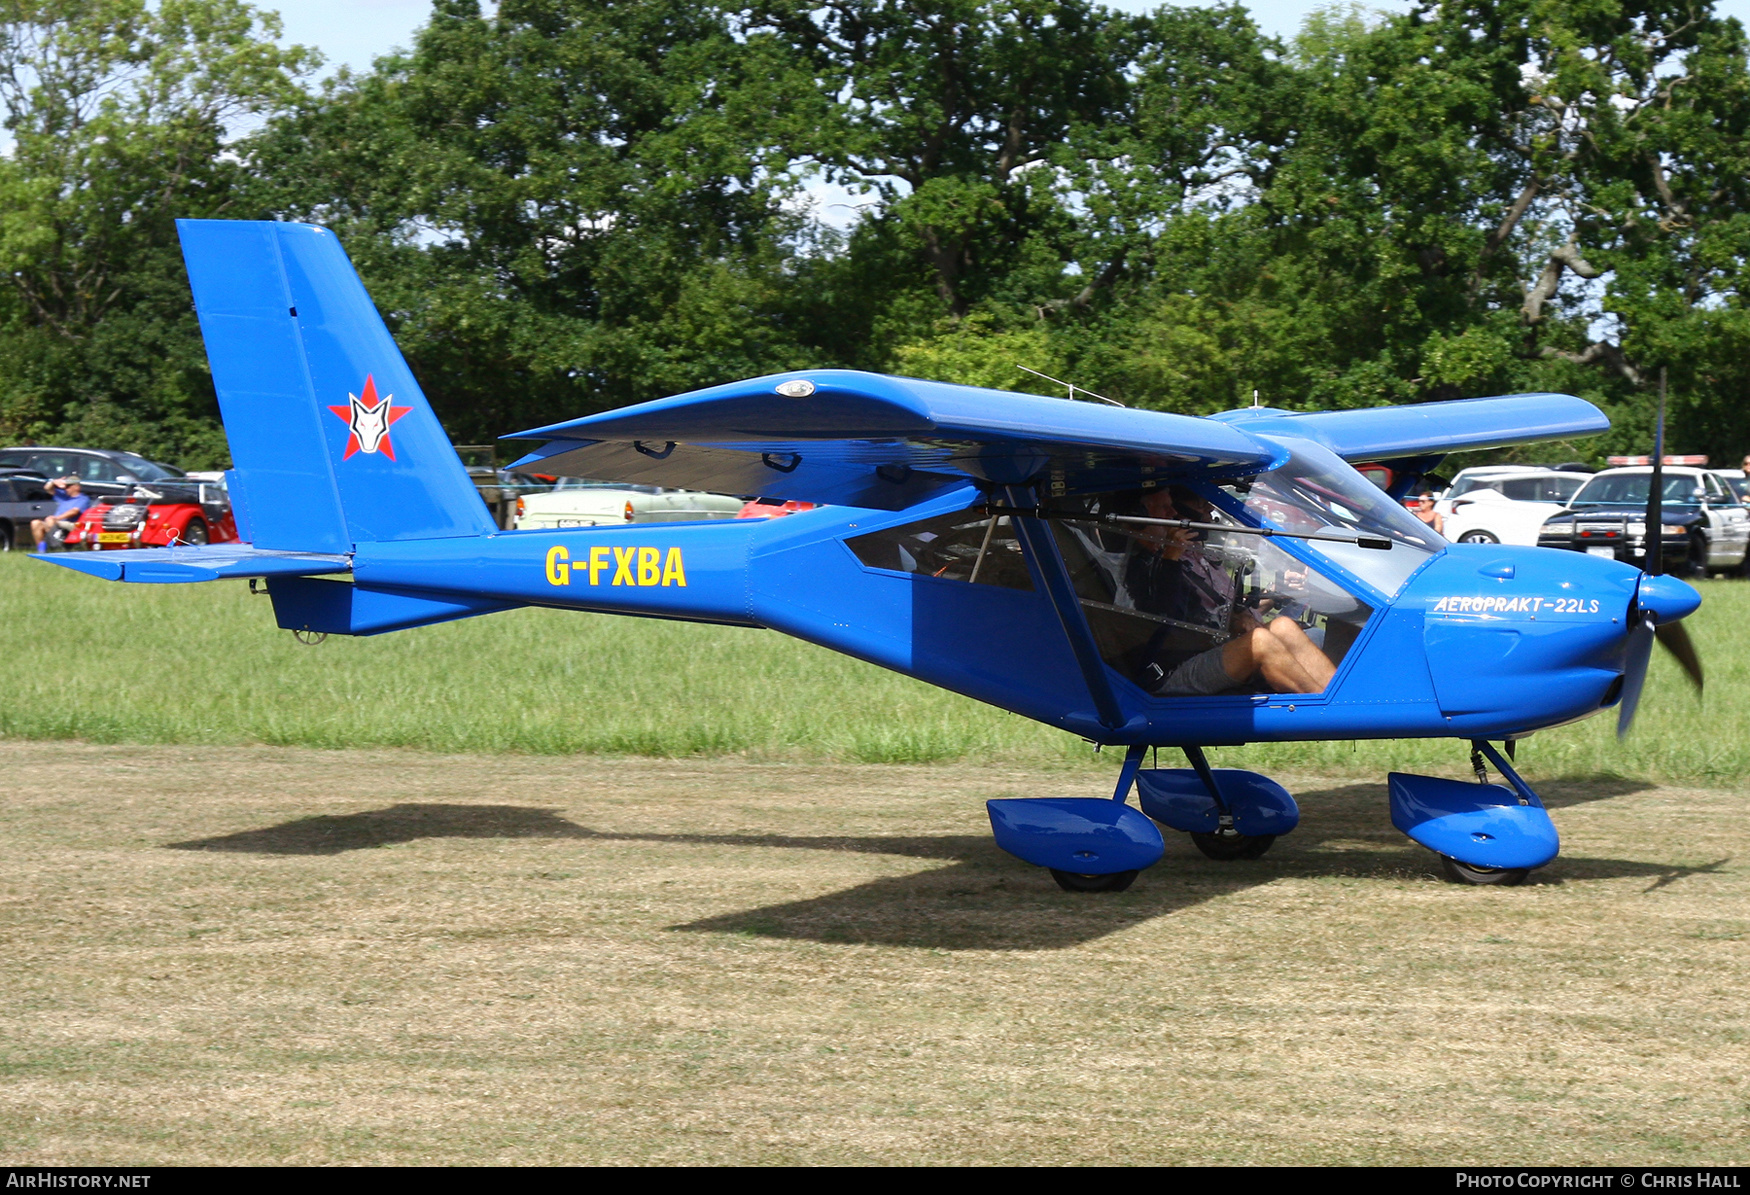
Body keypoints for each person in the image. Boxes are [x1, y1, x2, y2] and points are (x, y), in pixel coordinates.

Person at [1124, 486, 1335, 696]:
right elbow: (1163, 616)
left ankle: (1342, 700)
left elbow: (1214, 609)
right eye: (1165, 508)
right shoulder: (1139, 565)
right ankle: (1331, 716)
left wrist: (1240, 616)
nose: (1172, 514)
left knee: (1284, 626)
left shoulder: (1193, 557)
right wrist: (1171, 558)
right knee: (1259, 642)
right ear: (1142, 515)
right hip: (1170, 668)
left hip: (1210, 648)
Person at [31, 478, 90, 553]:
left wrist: (57, 518)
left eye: (68, 486)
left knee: (51, 520)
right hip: (56, 522)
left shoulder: (83, 499)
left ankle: (55, 547)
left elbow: (74, 512)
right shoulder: (64, 497)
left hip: (72, 524)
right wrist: (53, 482)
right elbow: (47, 488)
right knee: (35, 523)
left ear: (76, 487)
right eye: (65, 486)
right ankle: (41, 550)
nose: (65, 488)